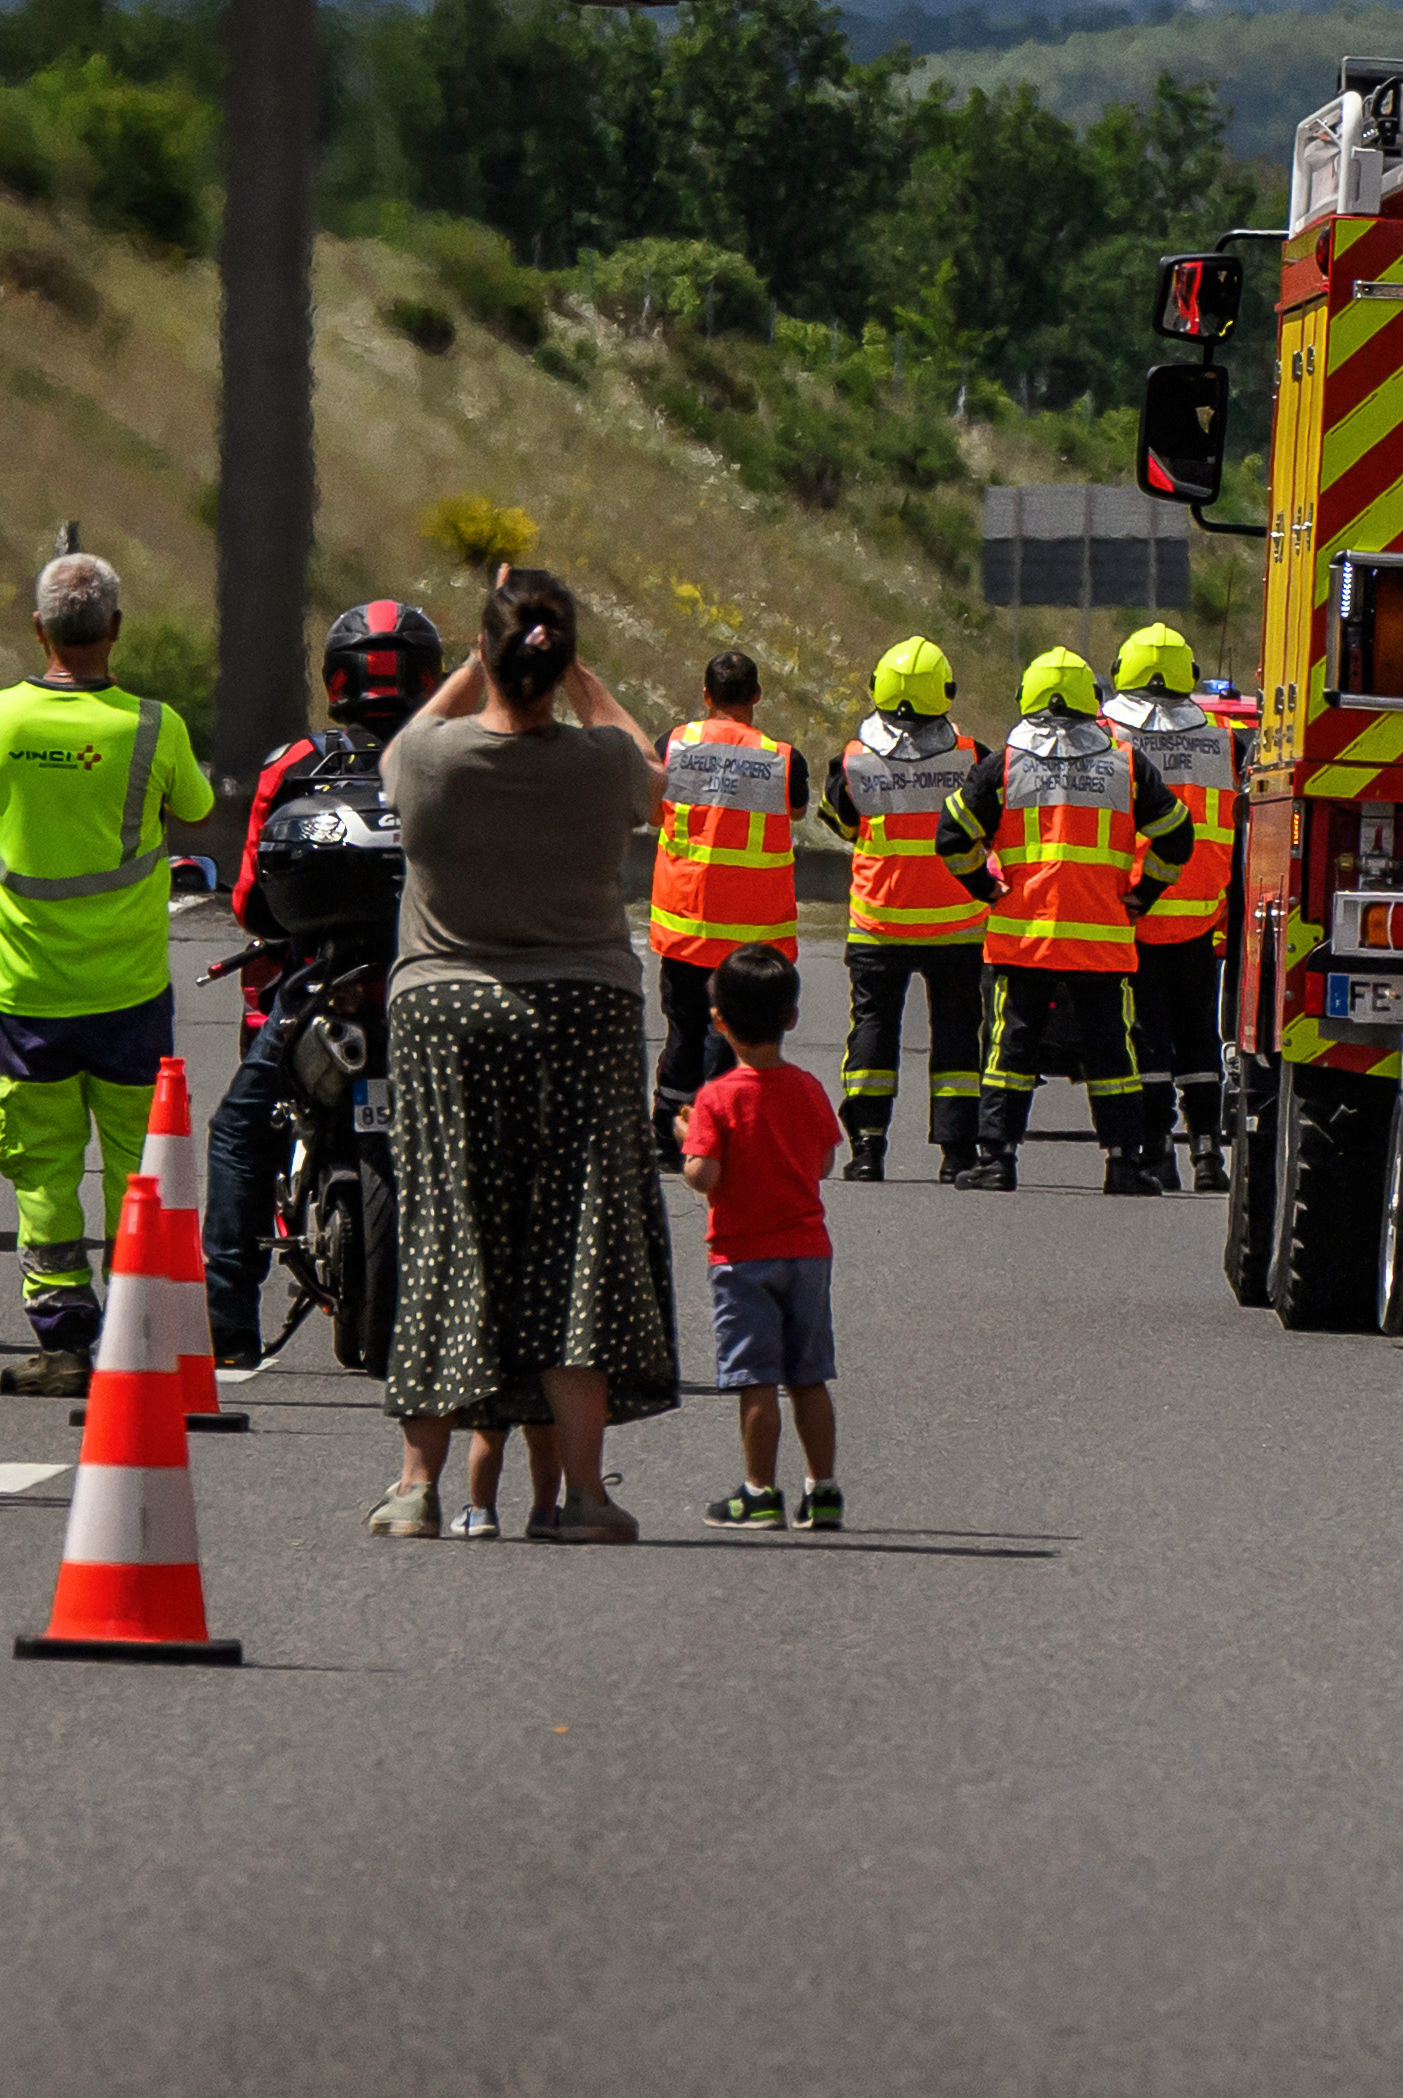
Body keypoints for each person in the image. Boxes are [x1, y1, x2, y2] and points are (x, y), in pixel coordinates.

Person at [369, 569, 676, 1544]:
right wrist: (581, 675)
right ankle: (582, 1492)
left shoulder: (434, 762)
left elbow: (401, 744)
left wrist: (474, 659)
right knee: (580, 1239)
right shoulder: (596, 766)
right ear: (559, 658)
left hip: (445, 1010)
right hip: (583, 1010)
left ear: (490, 654)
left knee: (448, 1232)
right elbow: (654, 777)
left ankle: (418, 1486)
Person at [0, 551, 216, 1391]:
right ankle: (137, 1333)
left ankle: (64, 1339)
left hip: (27, 989)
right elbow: (198, 808)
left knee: (42, 1168)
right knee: (135, 1165)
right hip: (128, 989)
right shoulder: (151, 726)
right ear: (115, 628)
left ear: (38, 629)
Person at [200, 596, 443, 1369]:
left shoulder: (294, 763)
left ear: (338, 679)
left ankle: (228, 1322)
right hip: (438, 986)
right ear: (429, 677)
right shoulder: (463, 756)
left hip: (319, 985)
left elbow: (248, 902)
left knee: (240, 1134)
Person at [974, 645, 1195, 1195]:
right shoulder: (1126, 764)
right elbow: (1178, 834)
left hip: (1024, 938)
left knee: (1011, 1050)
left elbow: (951, 834)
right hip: (1101, 940)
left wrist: (985, 887)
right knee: (1111, 1053)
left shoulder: (1005, 762)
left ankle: (998, 1160)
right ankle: (1124, 1164)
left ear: (1027, 697)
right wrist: (1144, 894)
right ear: (1092, 703)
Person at [816, 637, 998, 1188]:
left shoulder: (852, 759)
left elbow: (842, 824)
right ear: (945, 692)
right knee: (957, 1036)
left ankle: (867, 1149)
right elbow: (991, 827)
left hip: (880, 921)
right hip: (957, 923)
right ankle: (957, 1153)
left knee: (873, 1029)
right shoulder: (973, 756)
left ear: (877, 690)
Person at [675, 950, 847, 1531]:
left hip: (741, 1255)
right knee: (809, 1376)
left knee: (756, 1379)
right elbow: (824, 1160)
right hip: (807, 1250)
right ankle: (822, 1490)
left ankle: (759, 1491)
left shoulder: (716, 1098)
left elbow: (705, 1176)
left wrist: (689, 1145)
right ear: (793, 1017)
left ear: (718, 1019)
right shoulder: (806, 1087)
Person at [1103, 623, 1248, 1193]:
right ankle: (1208, 1156)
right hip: (1200, 913)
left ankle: (1157, 1150)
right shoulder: (1226, 738)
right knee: (1198, 1040)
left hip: (1135, 908)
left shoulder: (1105, 732)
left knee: (1146, 1039)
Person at [643, 646, 802, 1157]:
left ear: (706, 695)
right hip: (750, 934)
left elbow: (651, 810)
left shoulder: (674, 744)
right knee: (730, 1038)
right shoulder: (782, 758)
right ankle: (716, 1138)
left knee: (684, 1032)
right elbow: (796, 810)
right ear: (756, 696)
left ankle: (668, 1136)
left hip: (686, 922)